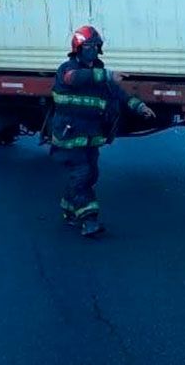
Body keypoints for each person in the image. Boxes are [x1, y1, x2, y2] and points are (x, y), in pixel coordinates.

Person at [50, 25, 155, 237]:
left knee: (90, 175)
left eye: (95, 46)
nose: (93, 50)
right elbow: (74, 78)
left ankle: (69, 210)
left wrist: (140, 107)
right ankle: (89, 220)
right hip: (70, 137)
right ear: (78, 48)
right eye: (88, 46)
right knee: (82, 174)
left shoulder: (101, 75)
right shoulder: (67, 69)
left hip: (91, 137)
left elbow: (120, 95)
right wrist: (107, 74)